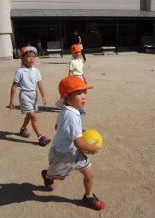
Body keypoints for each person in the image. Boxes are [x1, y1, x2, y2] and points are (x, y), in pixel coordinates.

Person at [41, 76, 106, 210]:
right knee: (59, 177)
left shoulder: (69, 110)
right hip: (63, 155)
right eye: (79, 93)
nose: (84, 97)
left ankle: (88, 198)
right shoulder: (70, 115)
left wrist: (75, 130)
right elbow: (79, 144)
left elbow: (57, 127)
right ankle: (47, 176)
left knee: (89, 173)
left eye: (84, 93)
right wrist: (92, 148)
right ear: (66, 98)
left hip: (75, 153)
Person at [9, 46, 51, 146]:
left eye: (33, 56)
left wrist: (43, 95)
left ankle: (23, 128)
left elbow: (40, 84)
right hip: (25, 95)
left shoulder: (36, 70)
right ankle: (41, 137)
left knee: (29, 115)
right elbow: (14, 86)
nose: (31, 58)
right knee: (33, 116)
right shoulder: (20, 71)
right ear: (22, 58)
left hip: (34, 95)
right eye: (28, 56)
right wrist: (11, 101)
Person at [68, 44, 87, 115]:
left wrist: (84, 79)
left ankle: (80, 107)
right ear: (72, 53)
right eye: (76, 52)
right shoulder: (72, 62)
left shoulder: (80, 61)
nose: (78, 53)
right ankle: (79, 108)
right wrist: (69, 81)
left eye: (79, 52)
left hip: (81, 78)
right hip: (75, 78)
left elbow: (81, 71)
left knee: (83, 93)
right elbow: (70, 72)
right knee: (77, 94)